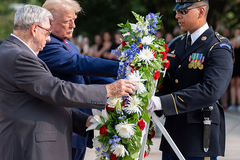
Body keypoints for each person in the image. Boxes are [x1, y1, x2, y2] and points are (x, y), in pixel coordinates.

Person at [0, 5, 136, 160]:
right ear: (34, 29)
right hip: (30, 145)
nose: (49, 38)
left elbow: (40, 98)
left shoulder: (14, 51)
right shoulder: (19, 56)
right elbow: (56, 90)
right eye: (47, 31)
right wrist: (107, 90)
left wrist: (84, 120)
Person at [147, 0, 233, 160]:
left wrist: (162, 103)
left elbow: (211, 90)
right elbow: (166, 82)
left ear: (201, 12)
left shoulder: (218, 47)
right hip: (171, 132)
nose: (177, 15)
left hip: (197, 137)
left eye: (183, 11)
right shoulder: (175, 44)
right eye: (176, 11)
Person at [38, 1, 123, 160]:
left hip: (79, 128)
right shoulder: (47, 45)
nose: (73, 25)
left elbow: (90, 77)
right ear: (49, 22)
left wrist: (123, 83)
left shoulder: (69, 44)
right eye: (66, 21)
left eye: (74, 19)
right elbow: (80, 64)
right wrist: (122, 67)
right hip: (63, 127)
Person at [228, 28, 240, 111]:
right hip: (233, 64)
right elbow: (233, 47)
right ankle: (232, 103)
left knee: (238, 85)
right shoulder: (231, 40)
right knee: (232, 85)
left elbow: (238, 45)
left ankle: (239, 103)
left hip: (239, 65)